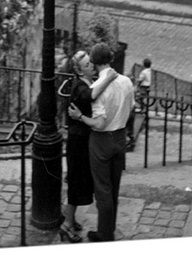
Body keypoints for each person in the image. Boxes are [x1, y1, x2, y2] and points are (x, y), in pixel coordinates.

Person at [69, 42, 134, 243]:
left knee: (102, 190)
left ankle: (104, 235)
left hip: (101, 141)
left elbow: (98, 123)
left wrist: (80, 117)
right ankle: (109, 228)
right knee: (114, 188)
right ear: (111, 59)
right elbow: (131, 108)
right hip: (120, 137)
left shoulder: (97, 87)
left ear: (95, 63)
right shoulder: (126, 81)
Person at [59, 50, 95, 243]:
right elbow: (91, 96)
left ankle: (70, 219)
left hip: (81, 140)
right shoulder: (81, 87)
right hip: (78, 143)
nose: (92, 66)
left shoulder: (85, 82)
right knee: (76, 183)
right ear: (80, 71)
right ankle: (66, 225)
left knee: (78, 182)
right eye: (88, 65)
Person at [126, 57, 152, 151]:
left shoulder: (144, 72)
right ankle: (130, 139)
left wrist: (137, 82)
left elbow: (140, 80)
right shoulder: (149, 72)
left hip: (142, 89)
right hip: (146, 88)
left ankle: (129, 140)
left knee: (139, 97)